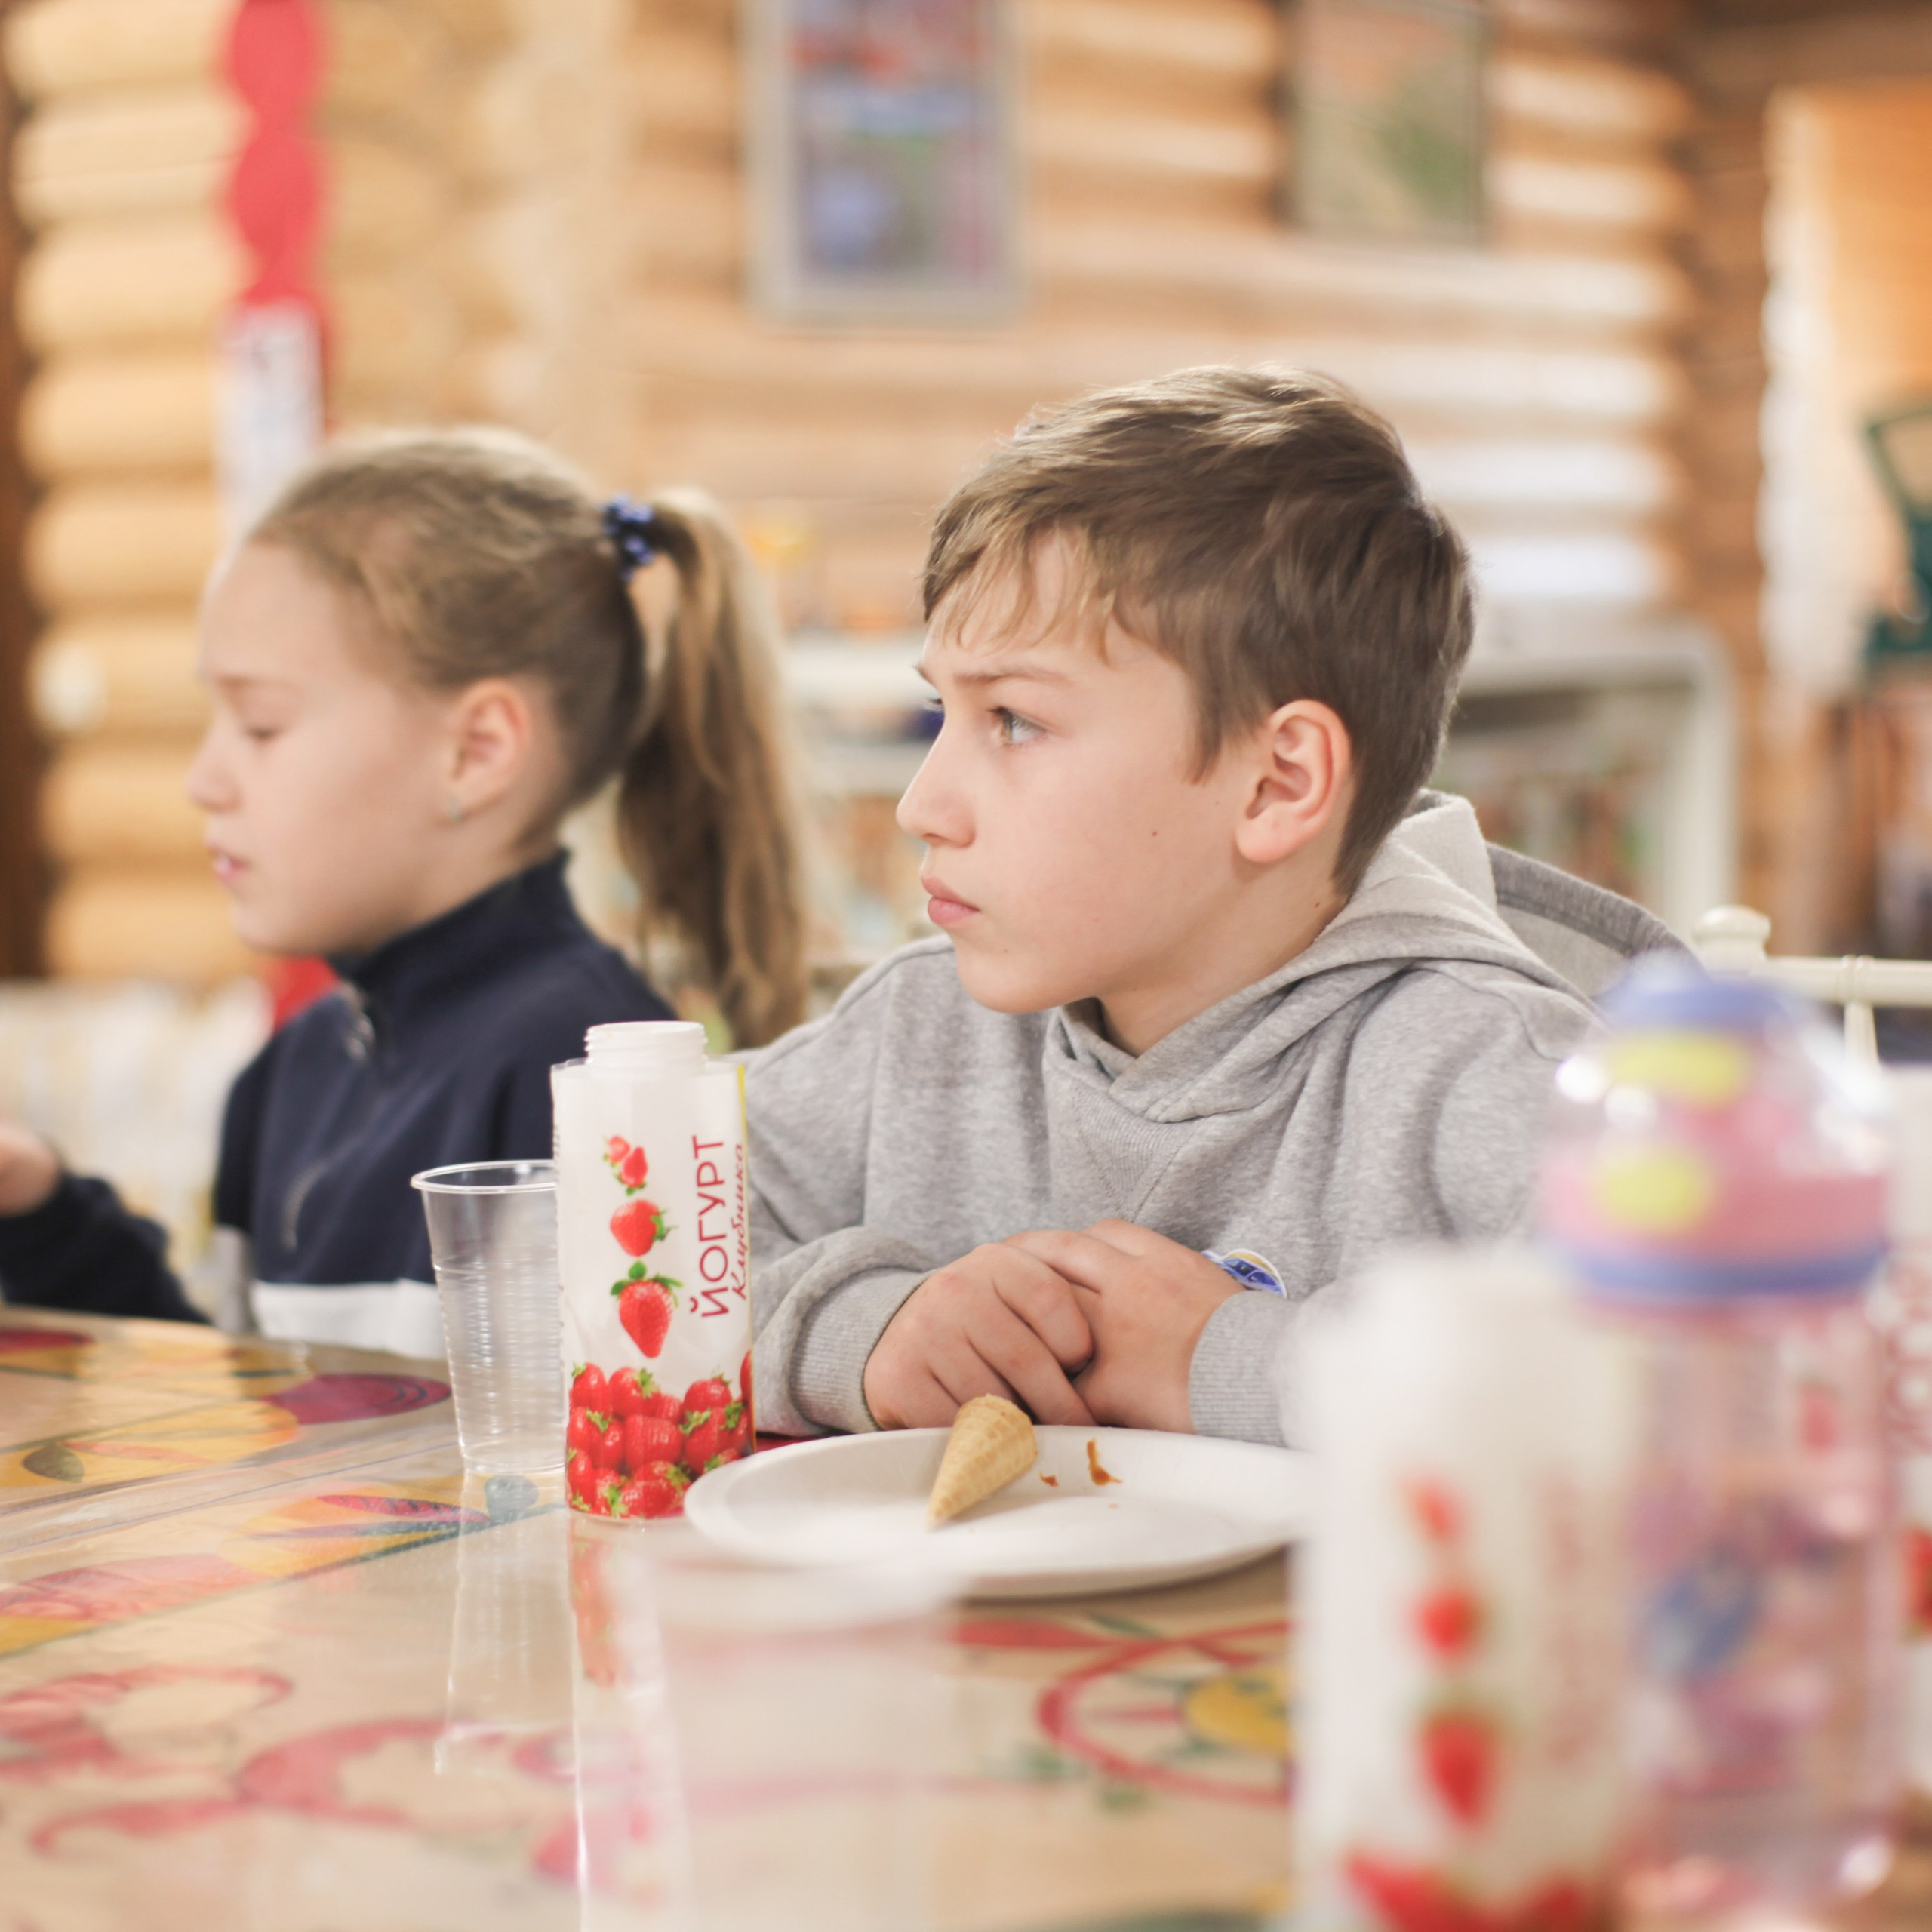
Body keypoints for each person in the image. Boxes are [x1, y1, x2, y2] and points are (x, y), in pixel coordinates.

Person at [746, 367, 1676, 1447]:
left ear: (1278, 782)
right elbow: (615, 1246)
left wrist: (1223, 1361)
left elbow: (1672, 1393)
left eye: (1011, 720)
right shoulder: (917, 1030)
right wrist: (861, 1327)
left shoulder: (1489, 1071)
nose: (921, 804)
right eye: (938, 709)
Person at [0, 430, 806, 1353]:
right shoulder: (289, 1071)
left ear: (476, 751)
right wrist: (40, 1208)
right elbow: (243, 1409)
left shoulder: (584, 1084)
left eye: (260, 725)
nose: (205, 779)